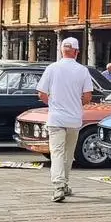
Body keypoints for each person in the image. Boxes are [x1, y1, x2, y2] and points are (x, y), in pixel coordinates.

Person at [38, 37, 94, 203]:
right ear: (76, 52)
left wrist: (54, 104)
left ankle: (58, 187)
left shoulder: (52, 68)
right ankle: (65, 184)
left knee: (56, 153)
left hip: (56, 118)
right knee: (69, 154)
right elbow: (88, 96)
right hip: (74, 119)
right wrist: (76, 104)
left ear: (62, 51)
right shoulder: (82, 70)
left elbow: (41, 93)